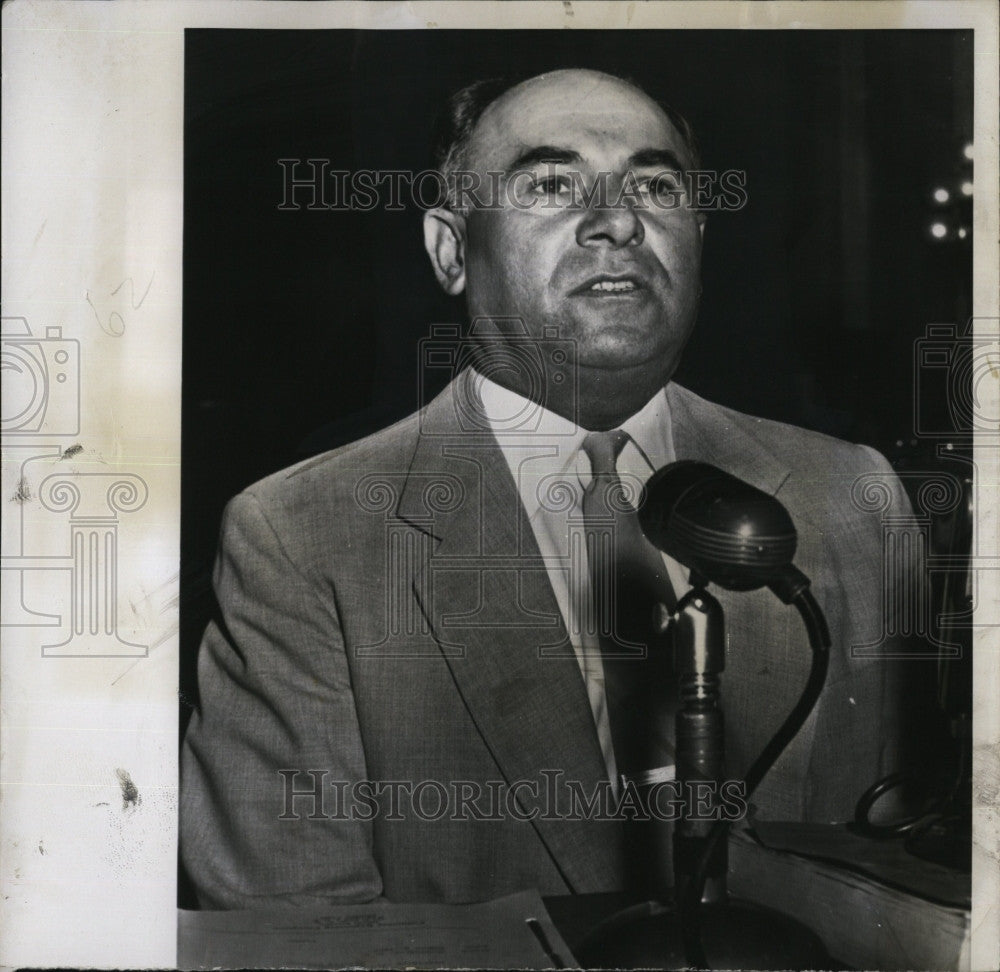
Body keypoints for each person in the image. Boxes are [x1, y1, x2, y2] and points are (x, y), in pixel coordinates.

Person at [180, 69, 910, 909]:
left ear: (699, 235)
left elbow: (899, 872)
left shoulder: (854, 498)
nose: (618, 221)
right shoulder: (302, 537)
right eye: (552, 183)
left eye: (655, 184)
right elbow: (297, 933)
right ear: (453, 250)